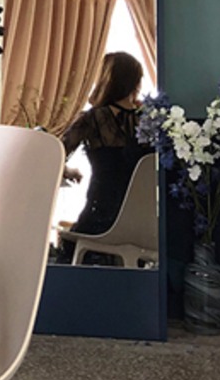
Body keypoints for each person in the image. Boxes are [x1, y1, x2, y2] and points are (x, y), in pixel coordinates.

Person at [56, 51, 153, 254]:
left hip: (100, 218)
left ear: (106, 81)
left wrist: (68, 171)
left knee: (67, 248)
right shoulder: (151, 120)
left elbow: (55, 154)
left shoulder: (93, 119)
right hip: (146, 223)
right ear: (135, 83)